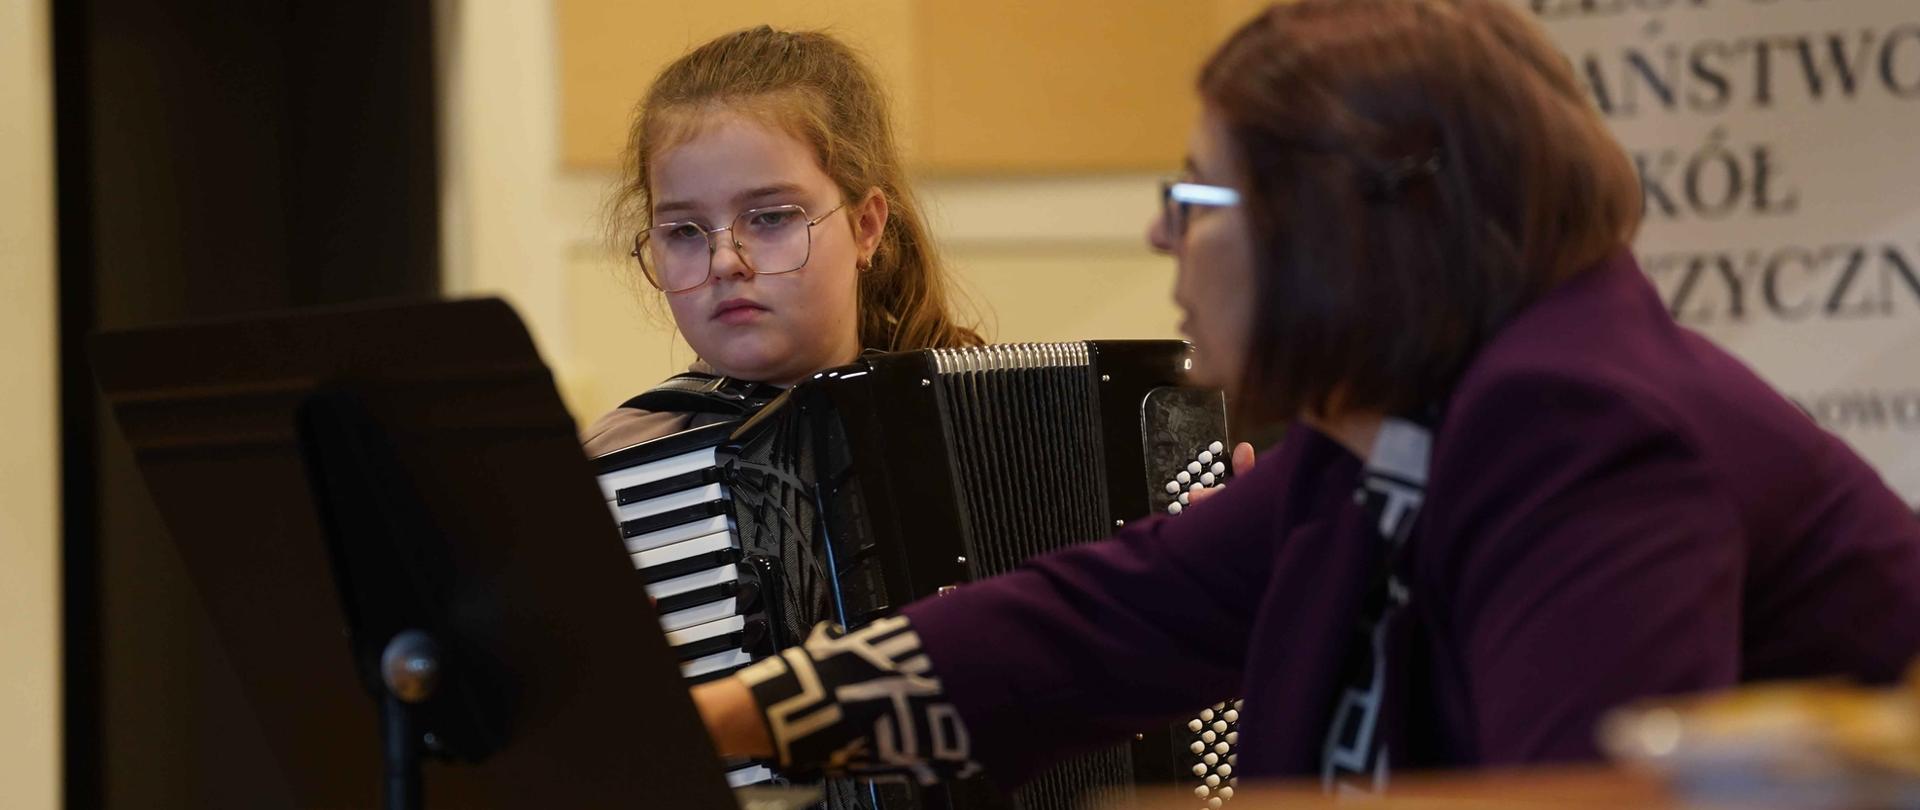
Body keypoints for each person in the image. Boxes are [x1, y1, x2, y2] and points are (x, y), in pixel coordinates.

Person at [688, 0, 1920, 793]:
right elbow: (1093, 621)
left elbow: (1574, 794)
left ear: (1348, 231)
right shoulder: (1386, 431)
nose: (1165, 236)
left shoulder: (1578, 425)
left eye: (1202, 201)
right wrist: (726, 719)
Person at [581, 26, 983, 456]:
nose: (724, 262)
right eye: (684, 231)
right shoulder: (621, 466)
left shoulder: (978, 419)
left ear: (865, 226)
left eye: (770, 217)